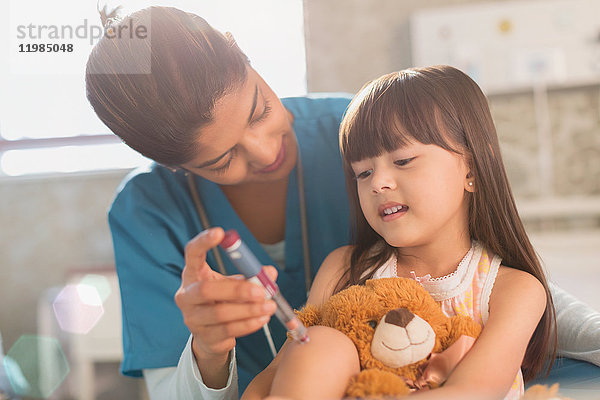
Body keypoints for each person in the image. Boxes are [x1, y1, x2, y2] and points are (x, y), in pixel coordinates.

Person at [84, 6, 600, 400]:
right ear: (178, 166)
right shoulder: (147, 212)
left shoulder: (362, 133)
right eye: (222, 160)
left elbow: (511, 289)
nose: (265, 152)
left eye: (259, 111)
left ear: (243, 52)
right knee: (322, 345)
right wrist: (208, 352)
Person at [244, 65, 558, 399]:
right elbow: (279, 372)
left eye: (404, 161)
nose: (379, 183)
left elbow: (473, 391)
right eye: (363, 173)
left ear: (473, 170)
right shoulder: (344, 268)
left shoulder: (512, 289)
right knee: (317, 341)